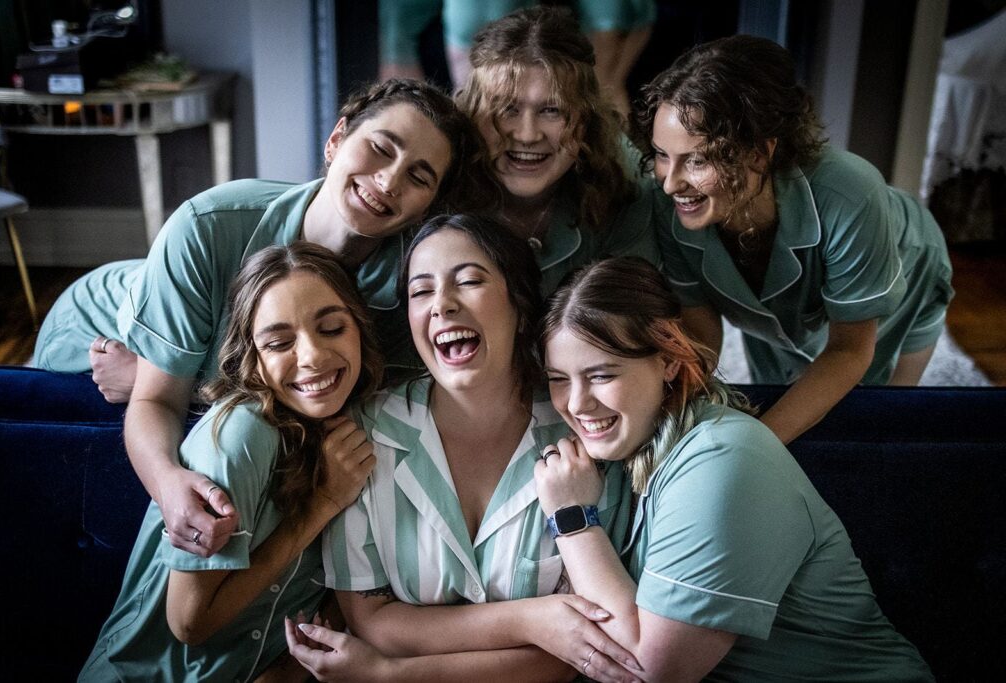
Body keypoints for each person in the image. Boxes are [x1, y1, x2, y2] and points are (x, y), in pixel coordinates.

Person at [33, 79, 490, 558]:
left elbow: (335, 410)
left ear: (429, 205)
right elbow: (155, 400)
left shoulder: (412, 290)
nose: (390, 181)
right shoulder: (206, 224)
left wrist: (195, 385)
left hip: (186, 366)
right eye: (380, 148)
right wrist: (168, 480)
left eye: (419, 177)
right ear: (336, 140)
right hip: (90, 328)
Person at [534, 256, 935, 681]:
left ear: (669, 360)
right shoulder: (626, 453)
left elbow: (651, 674)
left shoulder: (722, 461)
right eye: (559, 378)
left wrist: (573, 520)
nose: (576, 403)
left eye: (600, 375)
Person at [286, 215, 636, 682]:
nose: (441, 306)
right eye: (420, 291)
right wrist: (533, 619)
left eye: (469, 281)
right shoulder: (364, 432)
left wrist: (388, 675)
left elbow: (579, 651)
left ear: (519, 302)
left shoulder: (586, 430)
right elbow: (371, 619)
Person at [78, 242, 382, 681]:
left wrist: (289, 668)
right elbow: (189, 623)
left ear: (360, 329)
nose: (313, 357)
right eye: (279, 342)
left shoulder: (356, 428)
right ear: (253, 358)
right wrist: (323, 505)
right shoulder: (240, 437)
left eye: (332, 329)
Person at [637, 35, 954, 444]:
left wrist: (756, 444)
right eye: (663, 155)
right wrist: (675, 414)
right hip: (777, 313)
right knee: (778, 395)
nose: (670, 183)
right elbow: (700, 321)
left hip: (908, 274)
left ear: (758, 153)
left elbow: (849, 351)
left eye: (697, 159)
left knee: (872, 419)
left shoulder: (852, 194)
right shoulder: (668, 203)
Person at [456, 5, 664, 297]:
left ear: (586, 121)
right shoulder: (436, 178)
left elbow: (635, 315)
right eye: (506, 109)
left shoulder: (629, 183)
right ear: (472, 113)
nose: (528, 135)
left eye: (552, 110)